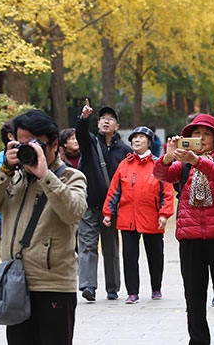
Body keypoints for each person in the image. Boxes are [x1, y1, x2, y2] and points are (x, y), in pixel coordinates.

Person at [0, 109, 88, 344]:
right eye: (22, 144)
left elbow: (73, 213)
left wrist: (45, 175)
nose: (28, 150)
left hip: (54, 285)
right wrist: (5, 169)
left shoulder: (70, 177)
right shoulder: (12, 177)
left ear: (54, 144)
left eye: (36, 144)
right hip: (15, 285)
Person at [153, 114, 214, 345]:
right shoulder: (182, 165)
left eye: (206, 135)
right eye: (196, 135)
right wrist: (167, 157)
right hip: (191, 239)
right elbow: (160, 175)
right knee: (193, 299)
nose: (201, 139)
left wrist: (196, 160)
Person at [102, 126, 174, 304]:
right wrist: (108, 213)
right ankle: (132, 292)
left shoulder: (159, 164)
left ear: (149, 141)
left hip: (152, 217)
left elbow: (167, 191)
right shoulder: (124, 164)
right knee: (129, 256)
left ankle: (156, 288)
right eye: (134, 138)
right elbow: (114, 191)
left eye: (141, 138)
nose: (137, 140)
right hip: (128, 217)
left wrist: (164, 214)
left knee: (155, 255)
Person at [75, 99, 132, 301]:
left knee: (111, 247)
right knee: (87, 245)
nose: (106, 122)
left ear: (117, 126)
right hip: (89, 204)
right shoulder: (90, 143)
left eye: (111, 119)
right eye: (102, 119)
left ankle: (112, 288)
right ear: (98, 123)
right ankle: (88, 285)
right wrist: (83, 118)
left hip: (112, 208)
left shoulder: (125, 151)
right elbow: (80, 134)